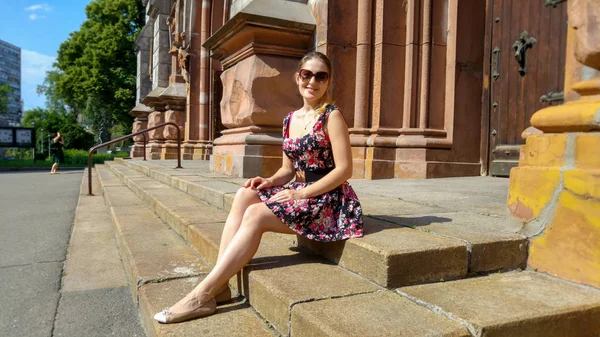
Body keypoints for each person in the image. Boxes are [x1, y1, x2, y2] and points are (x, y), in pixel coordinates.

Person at [154, 51, 364, 324]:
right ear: (297, 77)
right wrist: (269, 181)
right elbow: (287, 170)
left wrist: (300, 193)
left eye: (320, 76)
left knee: (255, 215)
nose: (313, 81)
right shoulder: (290, 120)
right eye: (307, 74)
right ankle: (219, 288)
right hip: (300, 193)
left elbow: (344, 170)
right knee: (245, 194)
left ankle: (201, 295)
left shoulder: (332, 116)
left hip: (329, 200)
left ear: (328, 82)